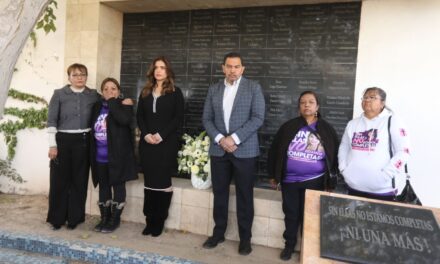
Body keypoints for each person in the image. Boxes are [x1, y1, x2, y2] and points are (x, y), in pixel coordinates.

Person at [202, 52, 265, 255]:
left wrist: (234, 139)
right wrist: (221, 139)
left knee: (244, 196)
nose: (232, 70)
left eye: (236, 66)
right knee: (219, 194)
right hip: (219, 150)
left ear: (242, 69)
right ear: (223, 68)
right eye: (229, 66)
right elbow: (207, 119)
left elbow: (257, 118)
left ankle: (245, 239)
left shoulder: (253, 88)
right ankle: (218, 233)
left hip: (244, 150)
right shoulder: (214, 89)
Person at [268, 90, 339, 261]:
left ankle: (307, 249)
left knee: (309, 217)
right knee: (291, 214)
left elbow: (334, 156)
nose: (306, 105)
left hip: (315, 181)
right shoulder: (288, 126)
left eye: (311, 102)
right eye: (303, 102)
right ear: (299, 106)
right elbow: (274, 151)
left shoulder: (327, 129)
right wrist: (274, 176)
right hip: (290, 181)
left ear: (317, 106)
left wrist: (331, 183)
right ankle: (289, 246)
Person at [46, 63, 100, 230]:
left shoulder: (93, 95)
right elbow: (51, 121)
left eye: (82, 74)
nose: (79, 78)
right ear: (69, 77)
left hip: (84, 141)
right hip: (62, 141)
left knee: (79, 181)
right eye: (75, 75)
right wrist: (52, 145)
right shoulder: (59, 94)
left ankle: (75, 218)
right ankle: (57, 218)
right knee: (59, 181)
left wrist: (124, 101)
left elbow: (109, 101)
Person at [137, 56, 184, 237]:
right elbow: (140, 116)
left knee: (162, 183)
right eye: (156, 67)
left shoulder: (175, 92)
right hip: (147, 143)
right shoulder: (145, 92)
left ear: (168, 71)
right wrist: (147, 134)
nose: (158, 71)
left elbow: (177, 118)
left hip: (166, 144)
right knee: (149, 182)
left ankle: (159, 221)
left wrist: (160, 135)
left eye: (162, 67)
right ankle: (149, 221)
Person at [338, 87, 410, 201]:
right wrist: (343, 169)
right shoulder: (353, 124)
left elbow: (404, 152)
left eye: (372, 97)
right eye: (365, 97)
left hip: (382, 191)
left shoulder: (393, 121)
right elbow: (344, 147)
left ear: (382, 103)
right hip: (354, 187)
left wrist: (385, 176)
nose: (367, 100)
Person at [90, 77, 138, 233]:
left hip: (118, 156)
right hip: (100, 156)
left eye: (113, 89)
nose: (109, 91)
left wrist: (112, 102)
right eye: (105, 89)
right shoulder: (97, 106)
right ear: (101, 92)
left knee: (118, 187)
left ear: (118, 91)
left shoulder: (124, 105)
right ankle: (104, 218)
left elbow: (124, 120)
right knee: (104, 187)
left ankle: (114, 220)